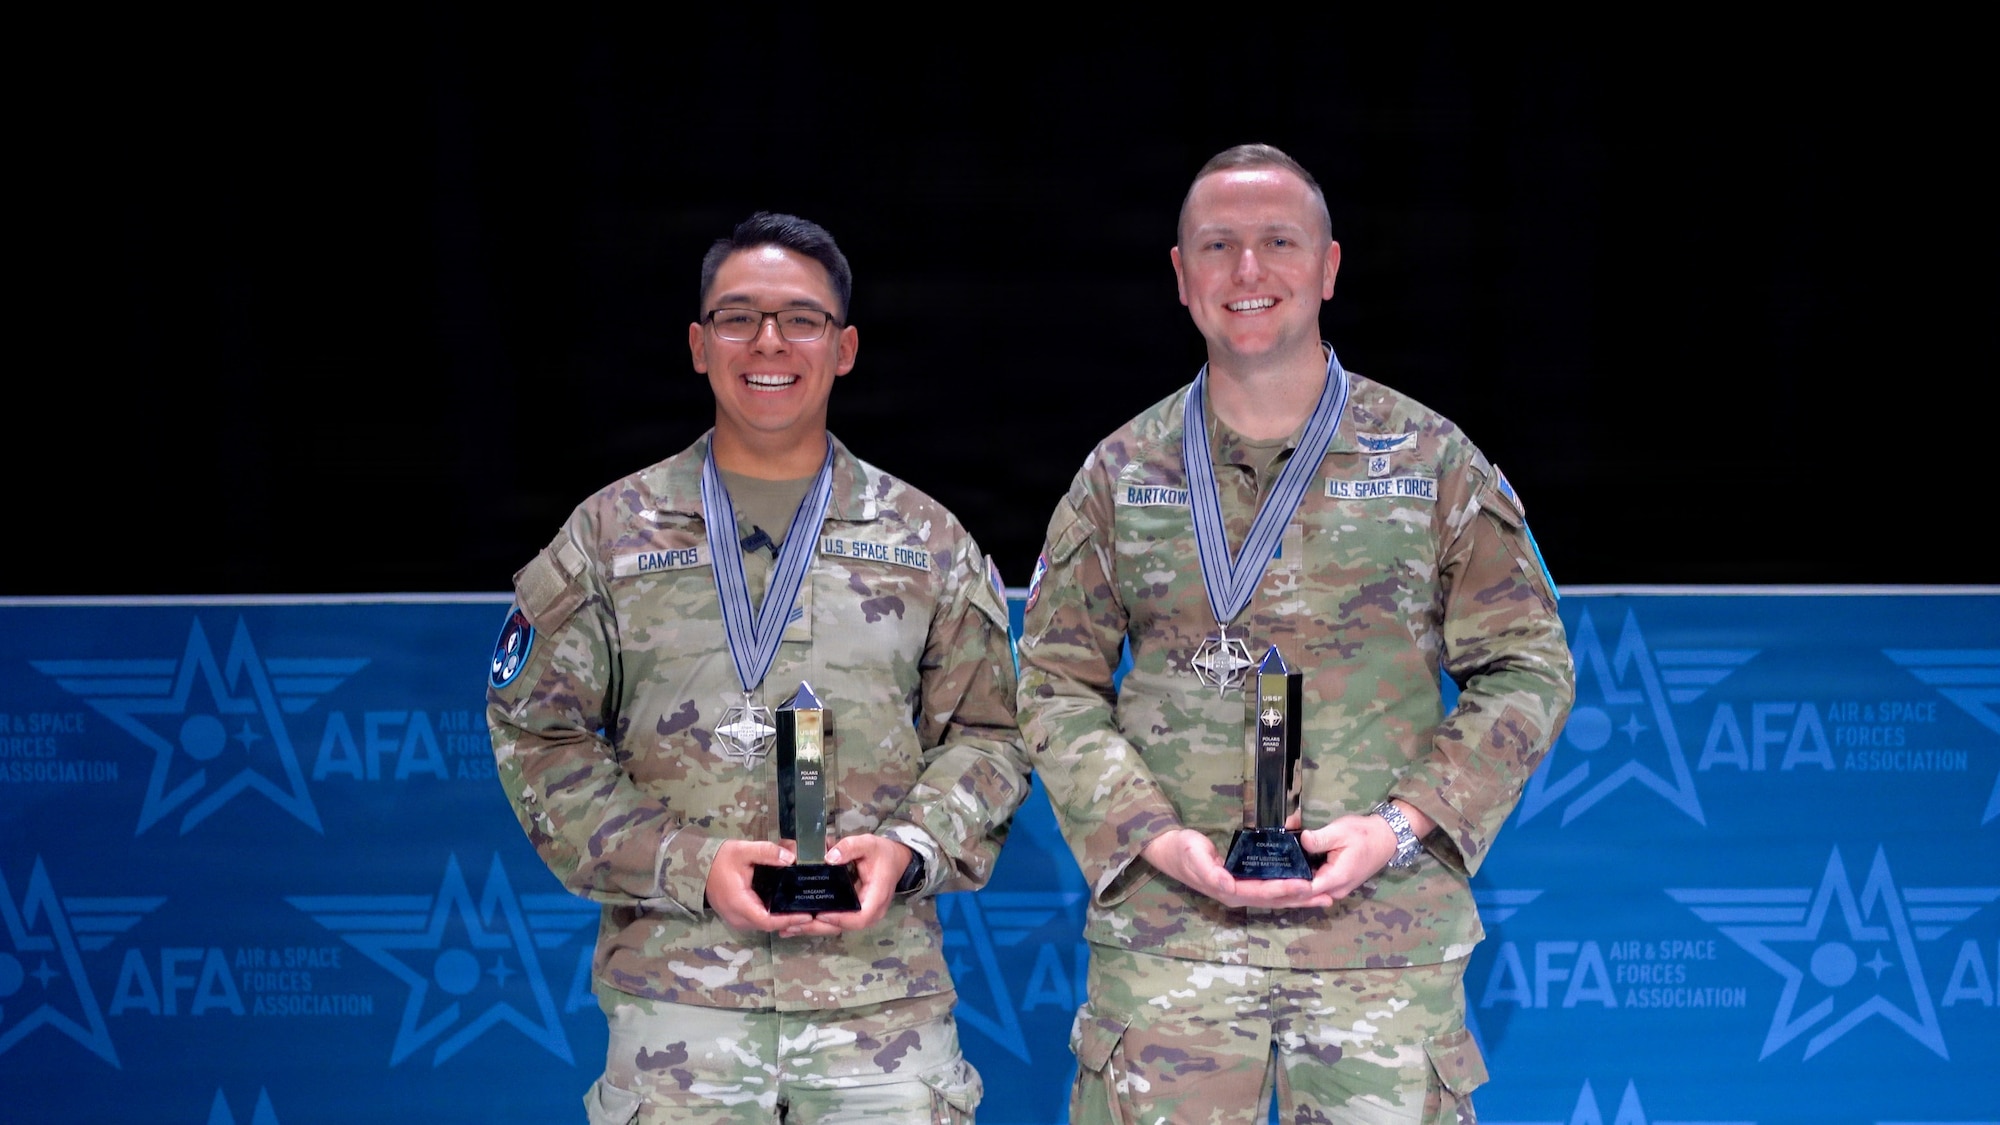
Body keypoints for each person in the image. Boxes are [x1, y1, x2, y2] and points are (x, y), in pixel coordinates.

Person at [1015, 144, 1576, 1124]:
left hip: (1380, 944)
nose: (1246, 272)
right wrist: (1153, 840)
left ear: (1327, 268)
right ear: (1180, 275)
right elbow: (1053, 684)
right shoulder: (1118, 474)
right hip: (1171, 947)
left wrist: (1397, 828)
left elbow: (1527, 669)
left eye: (1277, 242)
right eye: (1217, 246)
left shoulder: (1434, 464)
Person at [486, 211, 1029, 1124]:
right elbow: (539, 734)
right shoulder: (609, 537)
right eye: (738, 318)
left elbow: (991, 736)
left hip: (879, 1019)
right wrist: (687, 862)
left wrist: (907, 849)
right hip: (680, 1014)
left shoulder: (928, 542)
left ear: (844, 346)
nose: (768, 342)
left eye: (801, 318)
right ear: (699, 345)